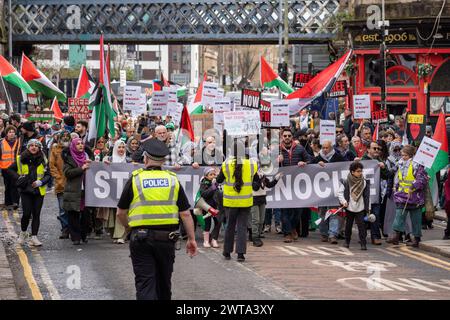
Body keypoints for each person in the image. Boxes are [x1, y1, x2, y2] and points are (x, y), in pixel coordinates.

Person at [116, 139, 198, 300]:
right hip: (166, 240)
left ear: (145, 158)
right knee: (163, 284)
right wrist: (192, 239)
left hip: (140, 238)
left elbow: (120, 213)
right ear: (162, 161)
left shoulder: (135, 179)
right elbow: (185, 214)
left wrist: (129, 228)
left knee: (145, 283)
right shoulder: (173, 180)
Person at [216, 146, 258, 262]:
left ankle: (227, 252)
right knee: (242, 227)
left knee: (230, 226)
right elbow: (256, 181)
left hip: (230, 201)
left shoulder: (226, 164)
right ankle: (240, 254)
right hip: (246, 201)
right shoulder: (251, 164)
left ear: (231, 151)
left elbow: (219, 180)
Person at [9, 139, 51, 246]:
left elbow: (48, 175)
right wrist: (19, 178)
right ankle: (23, 233)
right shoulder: (20, 158)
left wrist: (40, 182)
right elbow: (10, 170)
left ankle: (34, 237)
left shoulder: (44, 159)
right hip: (25, 190)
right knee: (27, 214)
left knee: (36, 214)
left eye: (36, 146)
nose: (34, 147)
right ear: (28, 147)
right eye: (31, 145)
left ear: (39, 148)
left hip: (38, 191)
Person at [387, 145, 427, 247]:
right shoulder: (400, 163)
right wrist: (395, 186)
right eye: (402, 155)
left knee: (416, 219)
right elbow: (398, 176)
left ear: (410, 155)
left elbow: (422, 180)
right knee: (399, 215)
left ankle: (416, 239)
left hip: (414, 197)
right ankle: (395, 236)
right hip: (402, 195)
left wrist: (413, 186)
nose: (402, 157)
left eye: (404, 155)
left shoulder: (417, 165)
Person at [278, 128, 311, 243]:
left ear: (292, 137)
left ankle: (292, 228)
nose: (287, 138)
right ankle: (287, 233)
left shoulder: (300, 149)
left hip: (297, 185)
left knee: (298, 211)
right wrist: (275, 160)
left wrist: (304, 163)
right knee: (285, 210)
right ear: (282, 137)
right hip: (283, 185)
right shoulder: (276, 150)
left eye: (289, 136)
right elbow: (267, 165)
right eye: (285, 136)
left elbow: (310, 160)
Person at [311, 140, 345, 244]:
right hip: (322, 191)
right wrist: (316, 164)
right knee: (322, 213)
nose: (325, 150)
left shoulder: (338, 157)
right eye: (323, 148)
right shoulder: (318, 158)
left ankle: (332, 234)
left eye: (327, 148)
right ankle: (324, 234)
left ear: (331, 148)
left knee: (334, 212)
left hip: (334, 190)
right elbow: (310, 167)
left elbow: (346, 166)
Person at [62, 138, 93, 245]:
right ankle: (75, 237)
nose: (80, 145)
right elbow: (67, 173)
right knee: (73, 215)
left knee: (85, 216)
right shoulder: (69, 158)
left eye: (82, 144)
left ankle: (84, 235)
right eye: (78, 144)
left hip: (87, 190)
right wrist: (81, 168)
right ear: (73, 146)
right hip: (74, 190)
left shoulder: (88, 157)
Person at [103, 140, 132, 243]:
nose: (121, 149)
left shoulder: (129, 161)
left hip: (124, 191)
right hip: (112, 191)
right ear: (115, 148)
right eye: (119, 147)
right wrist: (104, 161)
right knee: (113, 213)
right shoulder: (109, 159)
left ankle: (122, 236)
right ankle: (114, 235)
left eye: (123, 147)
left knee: (123, 212)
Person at [337, 161, 370, 250]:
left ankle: (363, 244)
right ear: (352, 172)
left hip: (360, 207)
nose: (360, 173)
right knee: (348, 226)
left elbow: (367, 196)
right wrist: (344, 201)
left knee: (362, 226)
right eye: (358, 171)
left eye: (361, 171)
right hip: (349, 207)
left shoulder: (364, 182)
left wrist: (368, 208)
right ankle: (347, 242)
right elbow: (340, 193)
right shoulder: (346, 181)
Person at [362, 141, 389, 245]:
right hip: (363, 194)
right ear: (368, 149)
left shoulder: (379, 161)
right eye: (375, 148)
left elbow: (386, 176)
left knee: (375, 215)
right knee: (363, 216)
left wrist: (383, 167)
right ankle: (362, 235)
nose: (377, 150)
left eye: (378, 149)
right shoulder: (362, 160)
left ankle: (376, 237)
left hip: (375, 194)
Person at [251, 164, 282, 247]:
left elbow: (269, 185)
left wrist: (276, 179)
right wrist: (260, 178)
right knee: (256, 220)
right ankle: (255, 237)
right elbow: (255, 187)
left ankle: (258, 233)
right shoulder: (252, 176)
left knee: (261, 220)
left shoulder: (263, 176)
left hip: (262, 199)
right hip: (254, 199)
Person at [49, 132, 70, 239]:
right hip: (60, 184)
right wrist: (58, 178)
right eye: (63, 137)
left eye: (67, 137)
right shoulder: (55, 149)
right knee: (62, 209)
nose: (65, 138)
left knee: (72, 208)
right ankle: (65, 229)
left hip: (72, 183)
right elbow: (52, 166)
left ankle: (73, 228)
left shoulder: (73, 149)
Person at [198, 167, 222, 248]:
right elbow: (204, 194)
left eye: (214, 174)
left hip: (216, 206)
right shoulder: (204, 183)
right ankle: (206, 241)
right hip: (207, 207)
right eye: (211, 174)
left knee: (218, 222)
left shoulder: (216, 184)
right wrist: (213, 187)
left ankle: (214, 239)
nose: (213, 176)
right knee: (207, 224)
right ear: (206, 176)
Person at [0, 125, 20, 209]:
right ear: (6, 133)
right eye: (10, 132)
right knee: (7, 186)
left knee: (15, 185)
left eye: (13, 132)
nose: (12, 134)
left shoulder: (19, 141)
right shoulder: (1, 142)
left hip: (16, 167)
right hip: (5, 168)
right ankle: (8, 203)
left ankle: (15, 202)